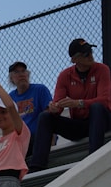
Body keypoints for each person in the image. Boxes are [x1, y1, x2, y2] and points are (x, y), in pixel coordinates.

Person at [30, 38, 111, 171]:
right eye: (85, 54)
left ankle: (94, 157)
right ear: (74, 60)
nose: (90, 56)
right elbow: (58, 104)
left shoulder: (102, 69)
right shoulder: (65, 76)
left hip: (103, 121)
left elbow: (106, 100)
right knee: (45, 117)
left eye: (90, 51)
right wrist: (54, 108)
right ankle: (37, 166)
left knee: (97, 108)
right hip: (80, 125)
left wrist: (78, 103)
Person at [7, 61, 53, 156]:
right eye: (17, 72)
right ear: (11, 78)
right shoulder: (10, 98)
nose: (21, 74)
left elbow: (49, 116)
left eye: (23, 71)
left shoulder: (40, 90)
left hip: (38, 136)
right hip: (20, 140)